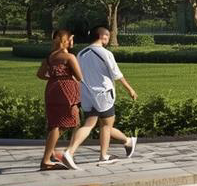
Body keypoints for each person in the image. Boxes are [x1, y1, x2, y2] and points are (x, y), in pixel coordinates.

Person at [63, 26, 138, 165]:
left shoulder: (81, 53)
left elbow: (76, 74)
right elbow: (117, 75)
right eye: (108, 36)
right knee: (105, 126)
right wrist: (130, 90)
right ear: (103, 36)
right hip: (103, 94)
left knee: (94, 124)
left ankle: (128, 141)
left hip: (86, 94)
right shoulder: (105, 53)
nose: (108, 39)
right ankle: (92, 154)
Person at [36, 29, 83, 170]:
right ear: (67, 40)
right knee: (67, 122)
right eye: (71, 39)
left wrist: (54, 78)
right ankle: (47, 160)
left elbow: (40, 74)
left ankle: (50, 154)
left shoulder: (49, 57)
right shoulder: (69, 58)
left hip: (52, 89)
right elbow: (79, 76)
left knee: (56, 123)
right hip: (66, 91)